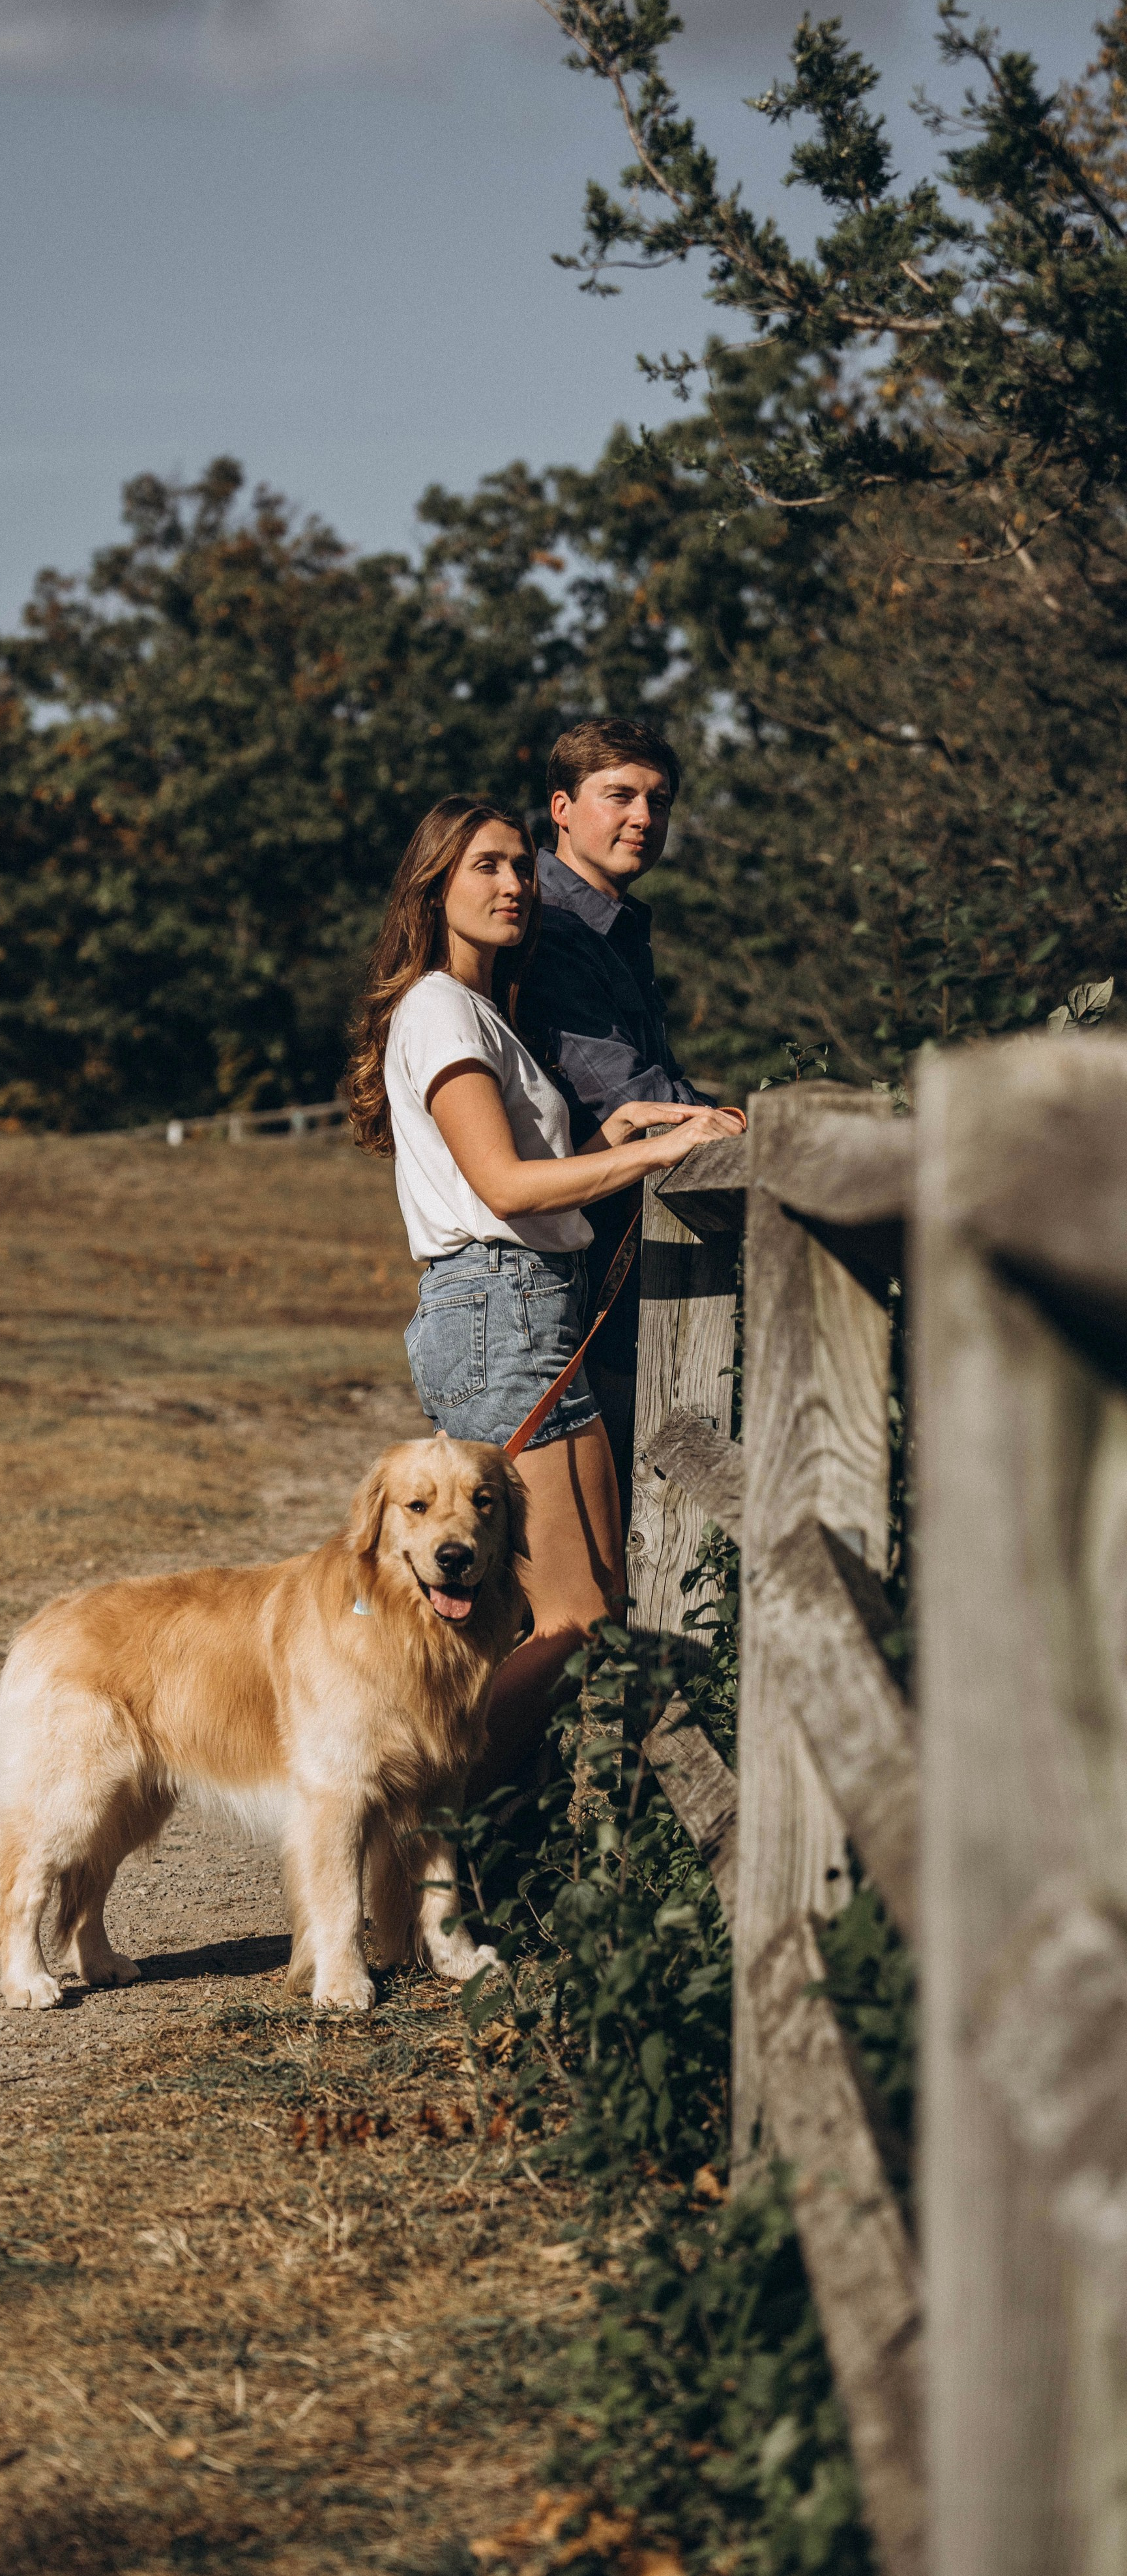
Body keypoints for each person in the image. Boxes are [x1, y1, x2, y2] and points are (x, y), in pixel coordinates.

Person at [347, 796, 744, 1785]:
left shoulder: (478, 1011)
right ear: (433, 886)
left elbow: (518, 1169)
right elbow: (508, 1189)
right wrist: (672, 1153)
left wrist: (612, 1137)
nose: (516, 884)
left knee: (527, 1614)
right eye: (486, 866)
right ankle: (408, 1810)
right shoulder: (440, 1007)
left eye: (522, 867)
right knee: (581, 1617)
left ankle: (456, 1846)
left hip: (509, 1307)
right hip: (502, 1309)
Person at [519, 720, 745, 1502]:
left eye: (659, 800)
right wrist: (733, 1128)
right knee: (588, 1536)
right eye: (619, 795)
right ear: (563, 806)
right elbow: (625, 1092)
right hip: (572, 1274)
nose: (644, 818)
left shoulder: (613, 926)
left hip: (613, 1256)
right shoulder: (553, 926)